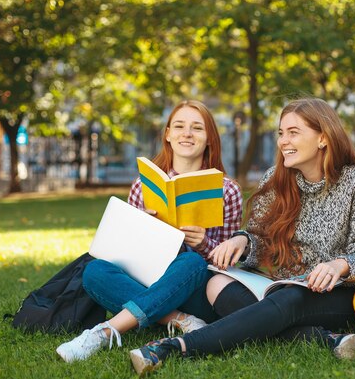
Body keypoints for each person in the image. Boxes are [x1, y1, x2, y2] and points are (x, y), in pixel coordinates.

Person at [129, 97, 355, 375]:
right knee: (217, 285)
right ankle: (326, 339)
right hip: (281, 286)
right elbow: (259, 238)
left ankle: (176, 347)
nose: (283, 141)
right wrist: (242, 241)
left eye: (293, 133)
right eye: (281, 133)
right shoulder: (276, 178)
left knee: (289, 300)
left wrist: (339, 265)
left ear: (323, 139)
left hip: (340, 293)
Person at [57, 100, 243, 362]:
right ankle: (181, 321)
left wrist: (203, 243)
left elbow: (228, 266)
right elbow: (123, 256)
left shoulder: (228, 190)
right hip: (149, 279)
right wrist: (140, 229)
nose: (186, 133)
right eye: (179, 126)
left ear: (210, 138)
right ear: (168, 135)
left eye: (197, 128)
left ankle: (105, 332)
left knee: (190, 261)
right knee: (95, 271)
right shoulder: (143, 186)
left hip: (196, 287)